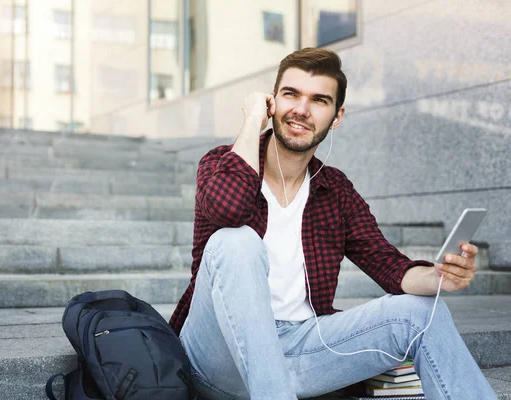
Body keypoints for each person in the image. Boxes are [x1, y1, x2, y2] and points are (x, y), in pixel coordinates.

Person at [169, 48, 497, 400]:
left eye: (319, 100)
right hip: (216, 359)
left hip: (301, 350)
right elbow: (227, 210)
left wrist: (439, 276)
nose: (301, 110)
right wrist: (251, 123)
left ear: (336, 117)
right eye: (290, 94)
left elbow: (388, 265)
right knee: (236, 242)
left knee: (421, 311)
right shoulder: (221, 163)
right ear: (271, 102)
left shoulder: (334, 189)